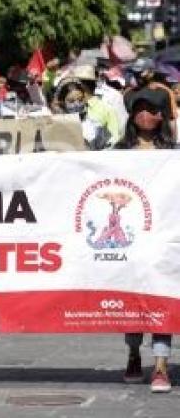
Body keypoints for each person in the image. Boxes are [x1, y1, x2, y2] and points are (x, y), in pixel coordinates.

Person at [115, 87, 175, 393]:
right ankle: (134, 353)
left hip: (163, 240)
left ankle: (162, 366)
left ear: (162, 115)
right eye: (138, 109)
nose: (144, 114)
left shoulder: (174, 155)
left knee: (162, 300)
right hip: (129, 242)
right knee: (131, 302)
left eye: (150, 109)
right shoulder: (117, 152)